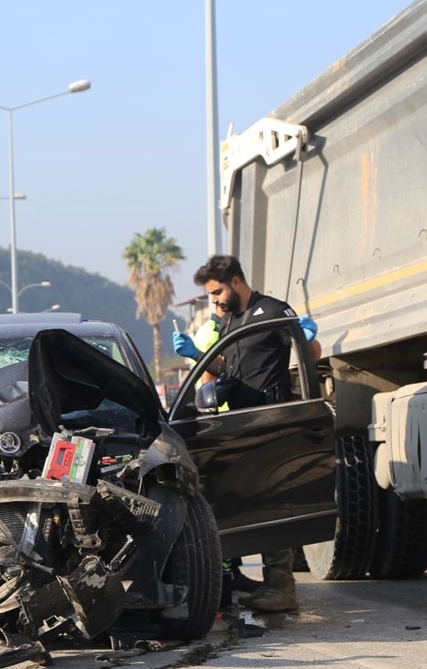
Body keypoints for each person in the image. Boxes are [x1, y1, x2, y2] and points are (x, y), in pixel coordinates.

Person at [171, 255, 321, 613]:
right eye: (211, 295)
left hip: (271, 419)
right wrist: (200, 356)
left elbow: (309, 352)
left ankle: (281, 586)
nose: (215, 300)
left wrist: (309, 337)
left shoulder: (271, 311)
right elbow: (230, 367)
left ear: (236, 282)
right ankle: (268, 584)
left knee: (272, 502)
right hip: (240, 421)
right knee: (249, 502)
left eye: (217, 291)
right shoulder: (231, 321)